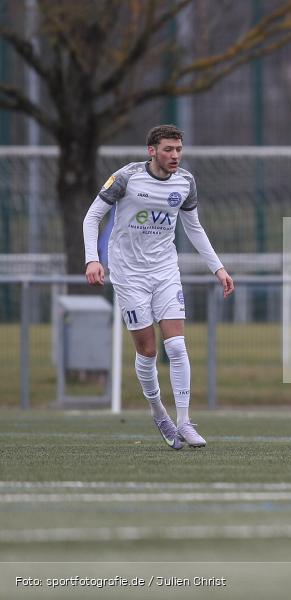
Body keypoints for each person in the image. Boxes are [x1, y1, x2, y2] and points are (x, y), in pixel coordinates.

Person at [83, 124, 234, 450]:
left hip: (165, 272)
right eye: (168, 149)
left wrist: (218, 268)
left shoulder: (186, 182)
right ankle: (158, 412)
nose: (175, 155)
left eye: (178, 149)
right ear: (152, 150)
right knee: (148, 351)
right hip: (128, 274)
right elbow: (91, 217)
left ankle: (184, 421)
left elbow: (194, 228)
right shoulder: (127, 178)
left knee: (177, 347)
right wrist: (92, 259)